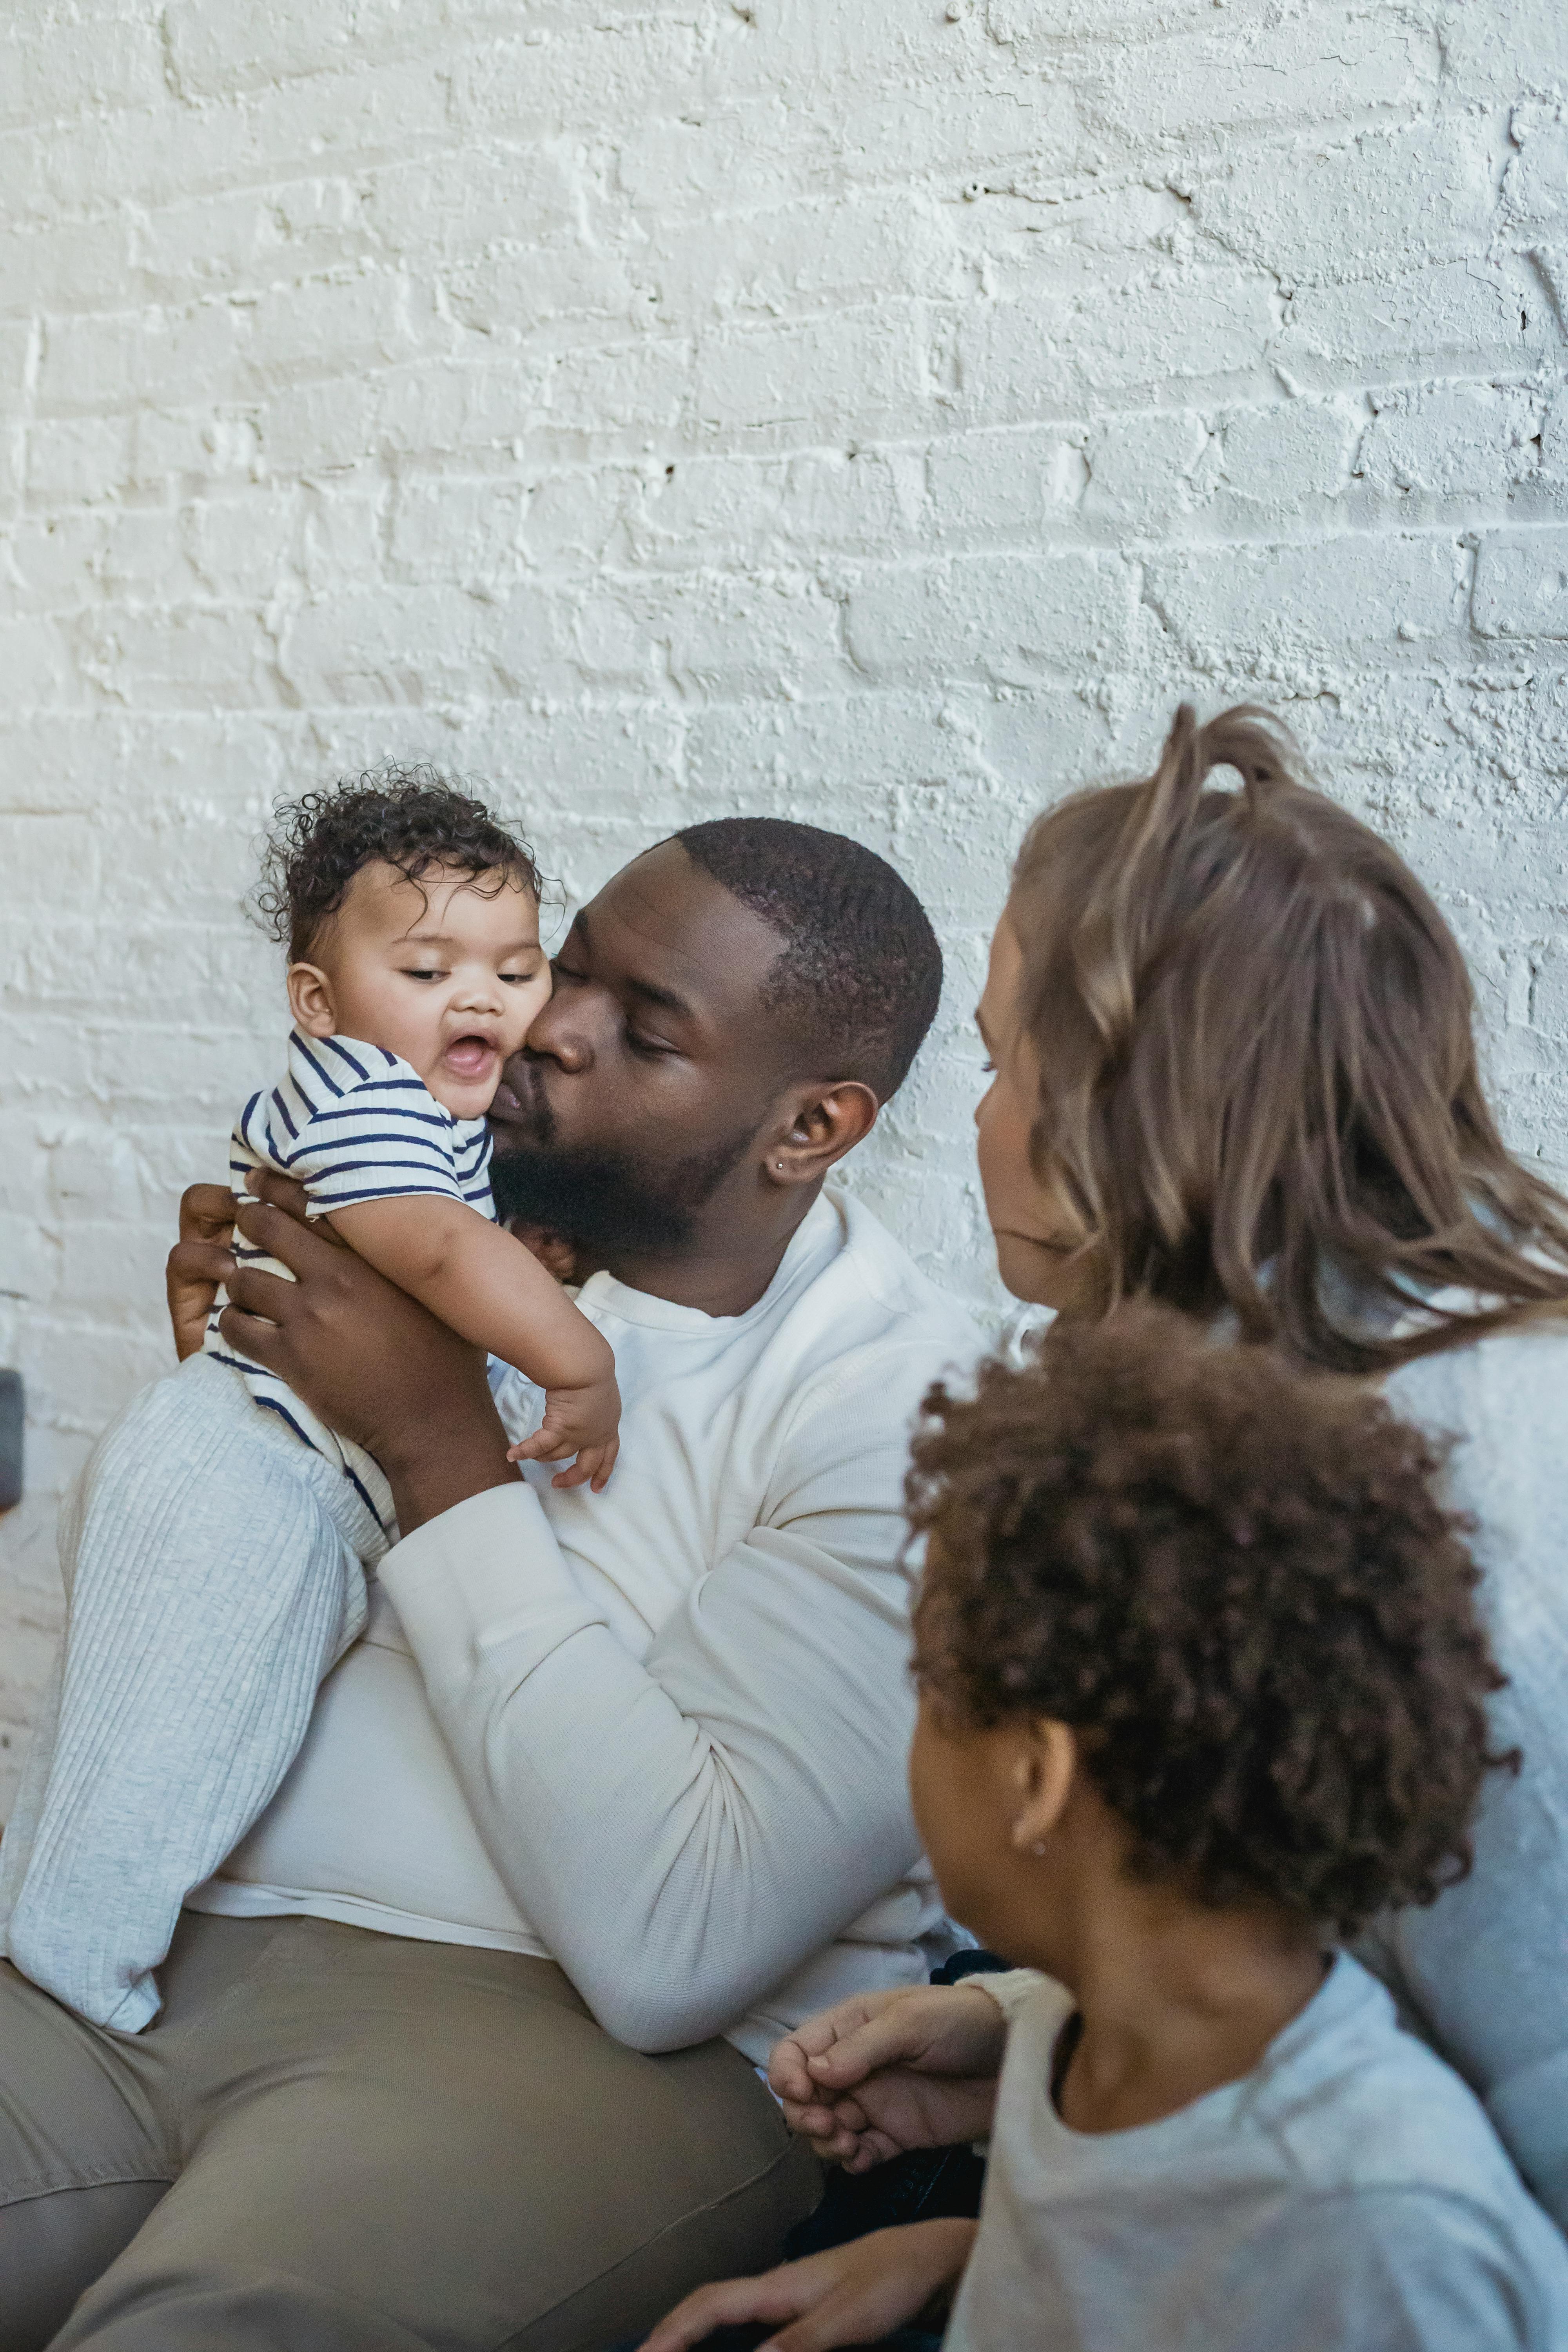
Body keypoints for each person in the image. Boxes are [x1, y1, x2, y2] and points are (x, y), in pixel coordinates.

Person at [0, 817, 980, 2352]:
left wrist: (434, 1440)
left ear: (811, 1128)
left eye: (637, 1030)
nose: (541, 1031)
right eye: (563, 969)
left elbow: (678, 1948)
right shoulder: (442, 1225)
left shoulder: (910, 1408)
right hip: (151, 1946)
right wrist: (253, 1407)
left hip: (556, 2048)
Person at [746, 700, 1568, 2244]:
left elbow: (1473, 2174)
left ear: (1127, 1104)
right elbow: (1315, 1971)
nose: (978, 1126)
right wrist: (1018, 2055)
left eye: (1001, 1070)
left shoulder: (1455, 1492)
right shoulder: (1289, 1389)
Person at [643, 1310, 1568, 2352]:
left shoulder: (1388, 2236)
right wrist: (961, 2263)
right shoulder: (1087, 2027)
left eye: (934, 1694)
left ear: (1038, 1777)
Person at [0, 770, 622, 2036]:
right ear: (320, 1003)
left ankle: (59, 1960)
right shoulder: (359, 1096)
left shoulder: (423, 1109)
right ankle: (69, 1995)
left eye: (515, 972)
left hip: (289, 1483)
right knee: (153, 1769)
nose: (480, 1000)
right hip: (245, 1482)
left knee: (164, 1749)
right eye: (431, 968)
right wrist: (580, 1362)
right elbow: (439, 1255)